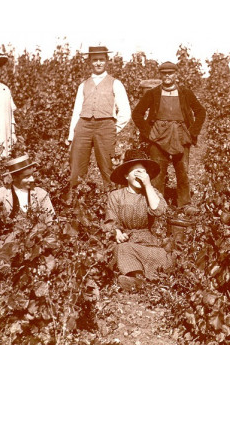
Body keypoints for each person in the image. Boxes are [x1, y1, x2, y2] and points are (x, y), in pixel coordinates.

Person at [132, 61, 206, 215]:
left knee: (182, 171)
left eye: (170, 73)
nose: (167, 76)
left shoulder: (185, 92)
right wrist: (148, 133)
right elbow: (137, 113)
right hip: (158, 137)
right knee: (158, 173)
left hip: (180, 135)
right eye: (164, 73)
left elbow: (200, 111)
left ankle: (185, 204)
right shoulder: (153, 93)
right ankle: (157, 205)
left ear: (176, 74)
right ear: (161, 75)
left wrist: (192, 132)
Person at [104, 149, 172, 291]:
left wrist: (148, 185)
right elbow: (111, 220)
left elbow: (158, 210)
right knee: (122, 249)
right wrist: (117, 232)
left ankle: (143, 279)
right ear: (126, 176)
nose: (140, 176)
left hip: (148, 242)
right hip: (127, 242)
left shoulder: (151, 193)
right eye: (136, 172)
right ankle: (137, 278)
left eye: (143, 172)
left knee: (164, 255)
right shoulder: (115, 196)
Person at [66, 46, 131, 193]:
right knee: (77, 166)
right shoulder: (83, 84)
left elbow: (125, 111)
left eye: (101, 59)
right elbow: (77, 111)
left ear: (107, 61)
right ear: (90, 62)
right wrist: (72, 136)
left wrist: (114, 128)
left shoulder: (115, 83)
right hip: (83, 126)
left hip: (106, 126)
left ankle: (111, 202)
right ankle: (77, 204)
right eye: (95, 60)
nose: (98, 63)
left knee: (107, 166)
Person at [0, 154, 55, 249]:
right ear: (14, 178)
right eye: (26, 177)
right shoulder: (1, 194)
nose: (32, 179)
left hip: (36, 245)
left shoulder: (40, 194)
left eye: (32, 175)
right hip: (8, 245)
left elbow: (52, 221)